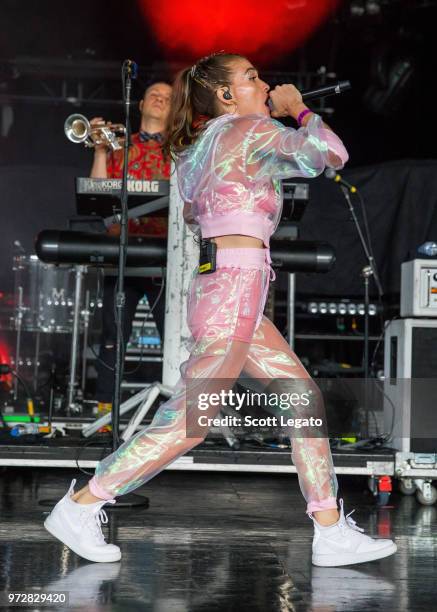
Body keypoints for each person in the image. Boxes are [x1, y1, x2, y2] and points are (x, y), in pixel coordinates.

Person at [44, 53, 397, 567]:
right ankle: (83, 503)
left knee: (302, 398)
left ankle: (329, 528)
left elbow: (190, 210)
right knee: (192, 420)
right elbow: (331, 153)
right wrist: (297, 110)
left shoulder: (196, 149)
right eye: (251, 78)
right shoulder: (253, 129)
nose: (266, 83)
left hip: (227, 288)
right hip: (234, 289)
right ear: (227, 96)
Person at [90, 82, 172, 418]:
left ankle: (178, 410)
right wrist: (98, 149)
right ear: (139, 104)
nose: (160, 99)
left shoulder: (181, 150)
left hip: (166, 256)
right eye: (154, 94)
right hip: (121, 252)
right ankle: (105, 409)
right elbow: (94, 192)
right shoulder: (118, 145)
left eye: (168, 98)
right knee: (113, 334)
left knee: (176, 337)